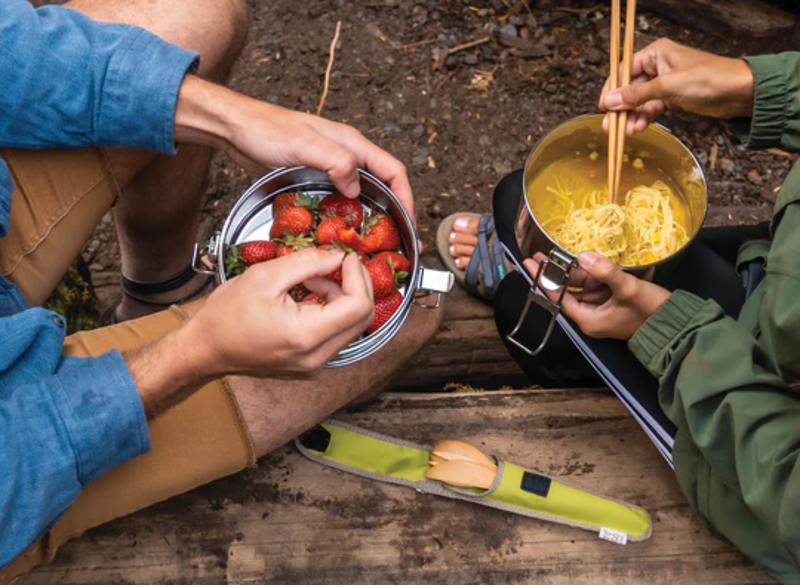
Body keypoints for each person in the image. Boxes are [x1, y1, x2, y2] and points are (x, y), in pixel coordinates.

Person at [0, 0, 442, 580]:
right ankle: (179, 324)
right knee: (414, 316)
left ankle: (158, 290)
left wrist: (231, 118)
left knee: (194, 13)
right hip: (22, 455)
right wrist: (195, 353)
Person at [439, 38, 800, 581]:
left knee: (521, 310)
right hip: (775, 275)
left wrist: (670, 337)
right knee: (516, 193)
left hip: (745, 453)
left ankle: (539, 307)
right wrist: (761, 88)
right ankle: (524, 253)